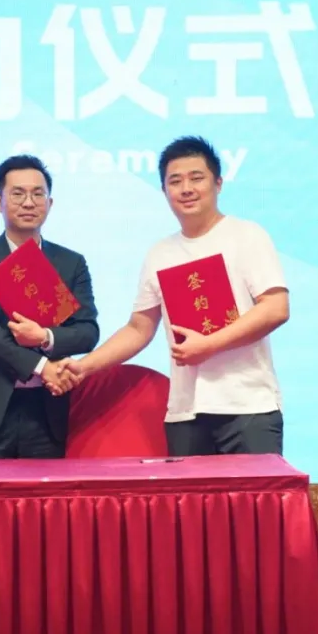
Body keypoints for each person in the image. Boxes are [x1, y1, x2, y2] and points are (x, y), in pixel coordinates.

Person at [57, 136, 290, 456]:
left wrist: (209, 345)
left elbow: (276, 308)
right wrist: (84, 367)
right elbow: (138, 329)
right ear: (164, 190)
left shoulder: (247, 236)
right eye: (175, 181)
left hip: (248, 407)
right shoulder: (160, 253)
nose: (186, 189)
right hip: (185, 413)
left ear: (218, 183)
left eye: (197, 178)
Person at [0, 155, 100, 459]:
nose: (28, 203)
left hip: (47, 411)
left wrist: (45, 336)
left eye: (37, 194)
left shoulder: (71, 263)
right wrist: (42, 367)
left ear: (50, 203)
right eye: (17, 194)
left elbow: (87, 331)